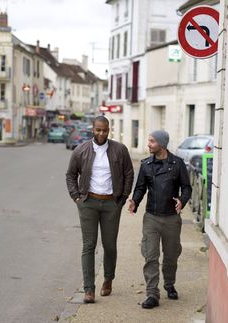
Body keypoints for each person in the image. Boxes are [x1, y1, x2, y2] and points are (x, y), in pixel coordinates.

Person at [66, 116, 134, 303]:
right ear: (92, 129)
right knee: (89, 246)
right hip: (89, 202)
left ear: (109, 130)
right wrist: (76, 197)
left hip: (112, 203)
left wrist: (122, 198)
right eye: (98, 130)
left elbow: (129, 173)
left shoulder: (119, 150)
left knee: (109, 245)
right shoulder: (81, 151)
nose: (101, 133)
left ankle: (108, 279)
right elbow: (71, 175)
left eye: (104, 130)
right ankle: (89, 289)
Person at [128, 130, 192, 309]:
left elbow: (187, 188)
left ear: (162, 144)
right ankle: (152, 294)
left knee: (171, 256)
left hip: (172, 219)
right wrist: (135, 201)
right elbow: (140, 188)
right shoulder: (146, 165)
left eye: (152, 141)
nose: (148, 144)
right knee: (150, 256)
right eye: (148, 140)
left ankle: (169, 285)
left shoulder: (178, 164)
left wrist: (182, 200)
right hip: (151, 218)